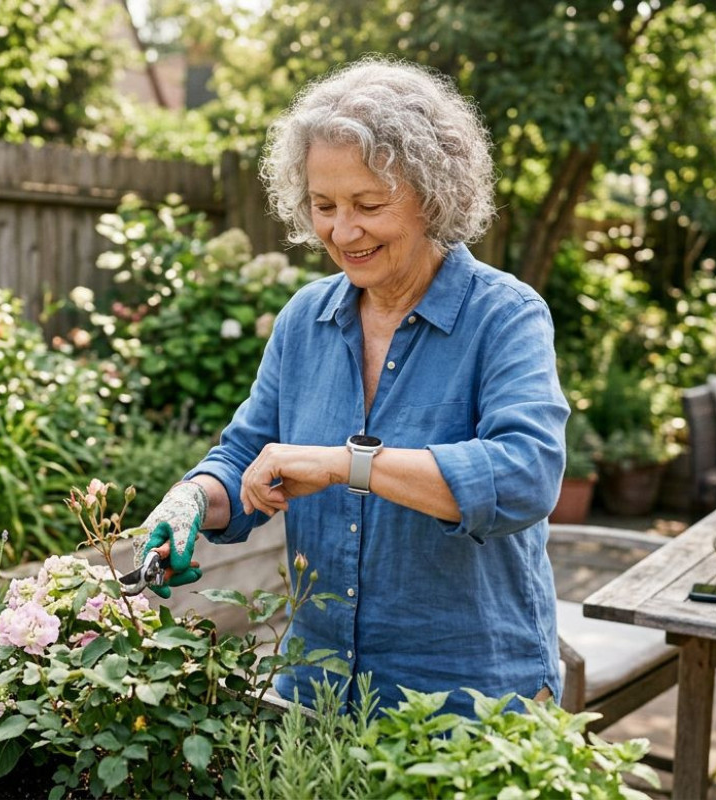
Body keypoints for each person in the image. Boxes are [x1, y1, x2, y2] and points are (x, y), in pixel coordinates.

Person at [133, 56, 569, 718]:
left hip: (469, 695)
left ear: (433, 193)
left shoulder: (503, 315)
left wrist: (344, 465)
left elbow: (525, 477)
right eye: (323, 205)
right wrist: (193, 498)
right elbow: (248, 458)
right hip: (317, 684)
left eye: (368, 204)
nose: (341, 232)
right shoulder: (306, 320)